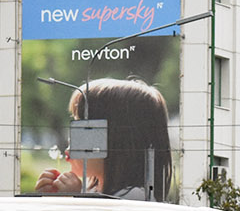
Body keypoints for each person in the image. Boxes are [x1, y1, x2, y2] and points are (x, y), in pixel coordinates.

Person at [34, 77, 173, 200]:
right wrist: (51, 200)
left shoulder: (133, 198)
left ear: (117, 140)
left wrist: (74, 200)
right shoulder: (93, 191)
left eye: (84, 127)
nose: (72, 138)